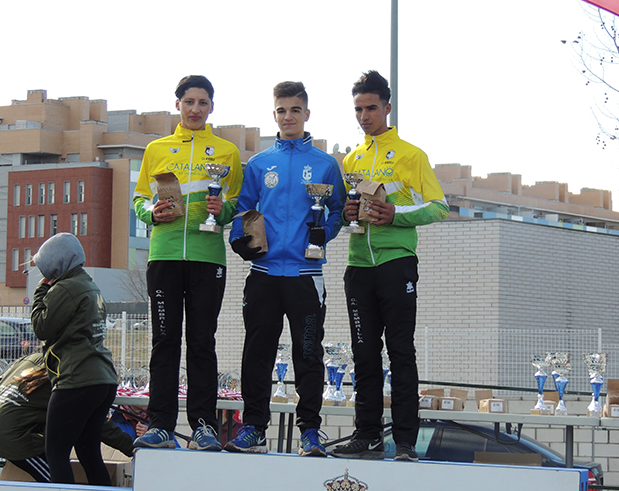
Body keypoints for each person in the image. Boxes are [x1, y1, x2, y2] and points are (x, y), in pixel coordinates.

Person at [329, 71, 449, 462]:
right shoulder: (352, 158)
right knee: (363, 353)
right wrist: (349, 211)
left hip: (397, 264)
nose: (364, 116)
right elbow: (352, 209)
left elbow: (439, 207)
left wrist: (396, 213)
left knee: (400, 352)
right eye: (358, 109)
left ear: (387, 107)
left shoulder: (412, 155)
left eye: (371, 108)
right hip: (358, 265)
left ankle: (406, 442)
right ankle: (367, 435)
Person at [224, 81, 345, 456]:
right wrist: (238, 238)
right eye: (281, 110)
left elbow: (339, 211)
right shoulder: (260, 164)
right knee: (256, 354)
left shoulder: (325, 164)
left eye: (295, 110)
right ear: (273, 114)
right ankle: (254, 429)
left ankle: (309, 431)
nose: (288, 116)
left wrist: (325, 234)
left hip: (305, 277)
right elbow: (243, 210)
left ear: (307, 114)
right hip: (263, 276)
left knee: (308, 353)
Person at [132, 75, 242, 451]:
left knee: (201, 343)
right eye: (189, 101)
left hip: (207, 257)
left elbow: (236, 204)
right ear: (177, 104)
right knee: (164, 342)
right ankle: (160, 424)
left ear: (212, 107)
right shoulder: (156, 149)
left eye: (203, 102)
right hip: (164, 256)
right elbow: (139, 200)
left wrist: (222, 209)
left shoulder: (225, 152)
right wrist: (152, 213)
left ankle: (204, 426)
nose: (196, 109)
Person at [30, 233, 119, 484]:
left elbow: (41, 327)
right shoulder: (90, 285)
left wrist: (40, 291)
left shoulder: (66, 287)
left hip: (76, 379)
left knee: (56, 452)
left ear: (56, 263)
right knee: (89, 452)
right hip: (103, 378)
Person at [0, 353, 134, 483]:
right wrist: (133, 449)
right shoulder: (68, 378)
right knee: (56, 480)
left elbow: (0, 382)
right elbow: (98, 425)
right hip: (9, 437)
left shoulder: (32, 359)